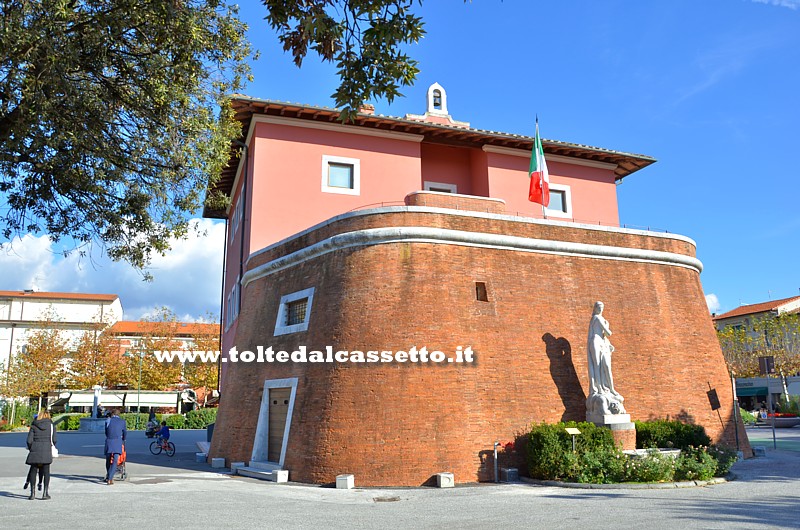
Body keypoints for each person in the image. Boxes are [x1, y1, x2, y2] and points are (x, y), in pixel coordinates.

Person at [586, 301, 622, 400]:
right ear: (595, 308)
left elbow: (605, 336)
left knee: (606, 366)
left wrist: (609, 344)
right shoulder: (596, 318)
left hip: (602, 343)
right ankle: (599, 388)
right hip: (595, 342)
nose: (600, 309)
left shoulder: (602, 319)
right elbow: (608, 333)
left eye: (602, 307)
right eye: (598, 307)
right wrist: (607, 325)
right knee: (596, 365)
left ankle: (611, 388)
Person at [25, 409, 55, 500]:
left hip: (35, 449)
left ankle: (32, 493)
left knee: (33, 471)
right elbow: (54, 440)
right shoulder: (51, 426)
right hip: (46, 450)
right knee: (46, 472)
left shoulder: (34, 425)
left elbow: (29, 441)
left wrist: (32, 448)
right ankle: (45, 493)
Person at [104, 409, 127, 485]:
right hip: (118, 442)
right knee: (115, 460)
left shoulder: (108, 420)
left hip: (109, 441)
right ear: (119, 414)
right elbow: (125, 432)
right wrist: (123, 439)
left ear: (112, 414)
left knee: (108, 459)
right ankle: (110, 478)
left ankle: (108, 475)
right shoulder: (122, 421)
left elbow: (106, 432)